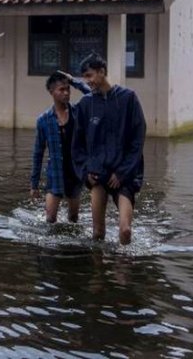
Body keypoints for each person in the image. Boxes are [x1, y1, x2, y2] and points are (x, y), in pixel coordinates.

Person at [72, 53, 146, 245]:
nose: (87, 81)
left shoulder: (128, 99)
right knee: (97, 233)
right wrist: (85, 171)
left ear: (102, 72)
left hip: (124, 175)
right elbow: (77, 145)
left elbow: (138, 140)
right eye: (84, 77)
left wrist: (122, 172)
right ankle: (99, 275)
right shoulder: (86, 105)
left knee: (125, 231)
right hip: (98, 175)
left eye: (89, 76)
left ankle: (123, 272)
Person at [30, 70, 91, 223]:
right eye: (61, 90)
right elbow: (38, 154)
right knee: (50, 219)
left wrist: (73, 81)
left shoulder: (77, 112)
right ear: (52, 92)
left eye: (67, 89)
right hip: (55, 174)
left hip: (75, 173)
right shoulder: (43, 120)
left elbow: (94, 96)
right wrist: (34, 185)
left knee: (73, 218)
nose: (66, 93)